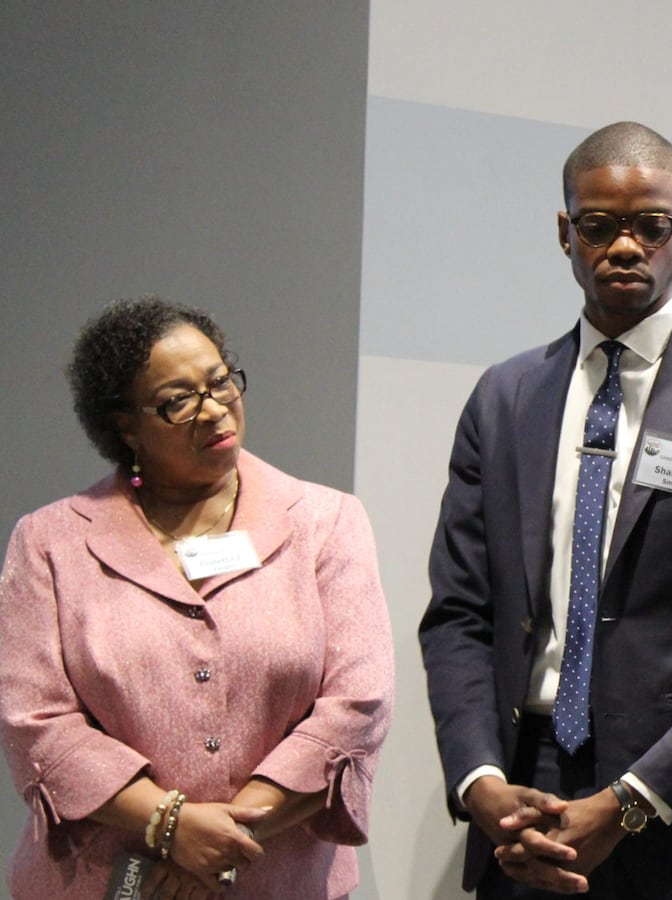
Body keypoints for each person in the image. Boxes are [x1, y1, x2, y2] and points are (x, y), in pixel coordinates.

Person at [419, 120, 672, 899]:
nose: (627, 246)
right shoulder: (505, 399)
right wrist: (479, 782)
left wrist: (632, 802)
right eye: (600, 227)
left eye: (652, 226)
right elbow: (459, 616)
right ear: (566, 233)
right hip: (522, 798)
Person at [0, 296, 394, 899]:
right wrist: (171, 825)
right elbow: (35, 721)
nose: (215, 411)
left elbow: (357, 704)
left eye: (220, 382)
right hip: (101, 882)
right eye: (178, 401)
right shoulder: (50, 541)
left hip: (280, 879)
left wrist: (221, 842)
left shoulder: (326, 521)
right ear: (124, 425)